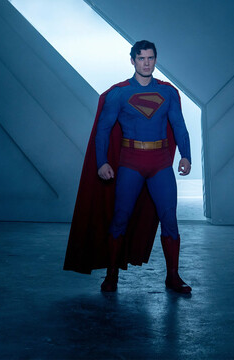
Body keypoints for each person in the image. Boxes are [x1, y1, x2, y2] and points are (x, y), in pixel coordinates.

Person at [63, 40, 192, 294]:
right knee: (120, 218)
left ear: (155, 60)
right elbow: (103, 130)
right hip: (130, 163)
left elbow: (179, 125)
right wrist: (102, 162)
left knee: (169, 219)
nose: (146, 63)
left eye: (150, 58)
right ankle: (112, 275)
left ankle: (173, 277)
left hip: (160, 163)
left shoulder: (167, 92)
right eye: (141, 58)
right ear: (132, 60)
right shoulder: (118, 93)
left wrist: (186, 156)